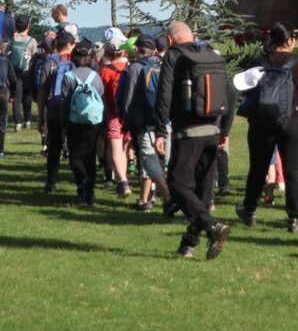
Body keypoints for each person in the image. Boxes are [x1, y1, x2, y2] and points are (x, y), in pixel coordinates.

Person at [154, 20, 234, 259]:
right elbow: (230, 92)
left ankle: (212, 226)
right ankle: (188, 243)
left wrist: (160, 130)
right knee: (203, 188)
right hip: (213, 129)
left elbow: (164, 94)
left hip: (187, 131)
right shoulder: (210, 53)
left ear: (170, 40)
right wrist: (225, 130)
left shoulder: (173, 56)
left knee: (178, 184)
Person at [238, 22, 298, 233]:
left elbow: (246, 90)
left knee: (258, 168)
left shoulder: (258, 63)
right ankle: (294, 218)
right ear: (290, 40)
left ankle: (250, 209)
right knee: (292, 170)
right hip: (292, 121)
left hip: (261, 120)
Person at [120, 39, 167, 212]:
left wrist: (126, 120)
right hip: (163, 120)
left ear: (137, 49)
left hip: (143, 121)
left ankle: (153, 198)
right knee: (159, 158)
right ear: (154, 50)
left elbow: (129, 97)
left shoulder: (135, 68)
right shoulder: (163, 66)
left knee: (146, 160)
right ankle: (153, 196)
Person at [62, 43, 108, 205]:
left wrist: (64, 122)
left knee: (75, 154)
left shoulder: (68, 76)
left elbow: (65, 101)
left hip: (74, 121)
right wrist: (104, 124)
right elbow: (102, 100)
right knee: (90, 156)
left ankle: (81, 182)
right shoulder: (96, 76)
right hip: (93, 121)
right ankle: (89, 188)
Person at [39, 35, 74, 193]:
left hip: (53, 108)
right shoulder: (75, 62)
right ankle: (80, 181)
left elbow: (42, 90)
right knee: (74, 145)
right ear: (69, 45)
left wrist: (41, 116)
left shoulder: (50, 62)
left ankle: (51, 183)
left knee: (54, 146)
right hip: (72, 109)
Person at [100, 39, 132, 196]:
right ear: (124, 51)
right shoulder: (130, 68)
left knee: (116, 149)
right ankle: (122, 178)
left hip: (113, 114)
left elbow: (103, 95)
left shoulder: (105, 71)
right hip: (129, 115)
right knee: (125, 148)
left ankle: (123, 181)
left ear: (107, 52)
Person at [8, 16, 39, 130]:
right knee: (27, 96)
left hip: (14, 72)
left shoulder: (12, 40)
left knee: (17, 97)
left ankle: (18, 123)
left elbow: (6, 53)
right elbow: (35, 57)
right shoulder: (32, 41)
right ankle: (28, 120)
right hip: (27, 72)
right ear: (28, 27)